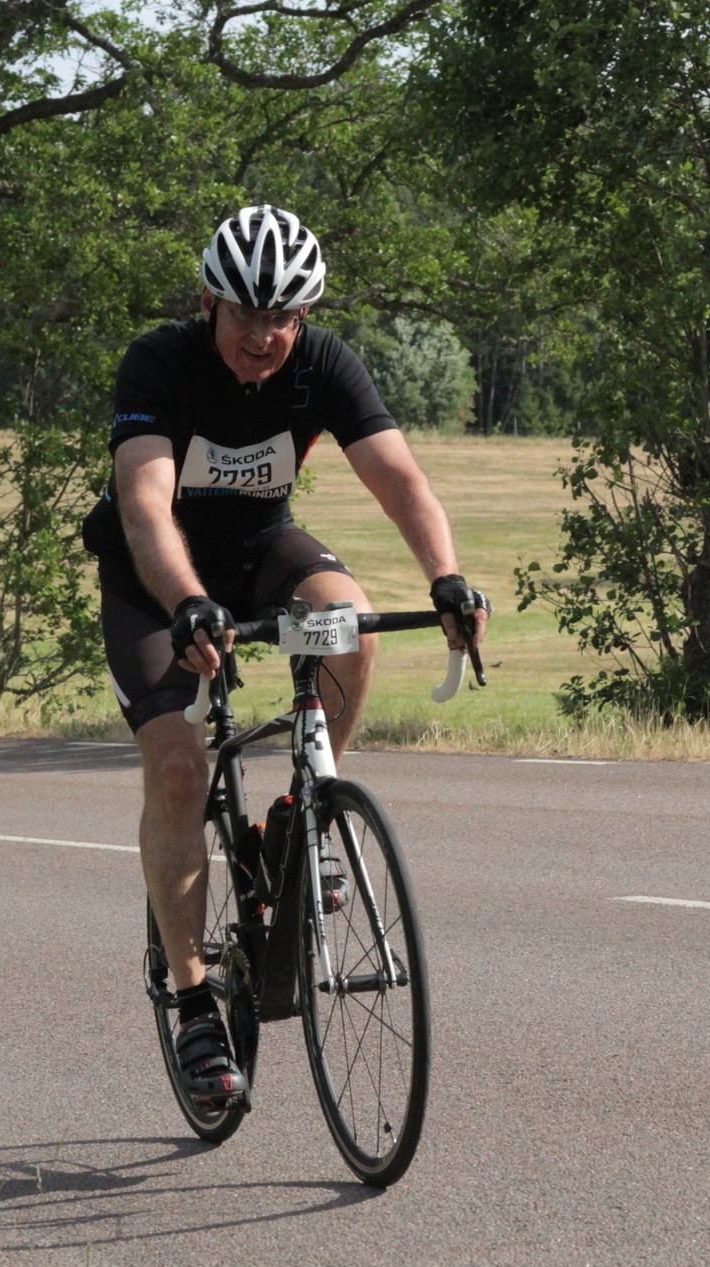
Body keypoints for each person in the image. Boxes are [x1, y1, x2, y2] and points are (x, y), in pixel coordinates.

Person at [82, 204, 489, 1109]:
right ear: (209, 304)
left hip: (261, 548)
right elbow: (145, 505)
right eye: (246, 314)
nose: (264, 336)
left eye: (284, 316)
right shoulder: (159, 362)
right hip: (155, 579)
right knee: (179, 768)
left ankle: (305, 808)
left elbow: (401, 480)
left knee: (349, 619)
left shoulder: (321, 363)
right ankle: (195, 1003)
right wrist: (187, 603)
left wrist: (448, 578)